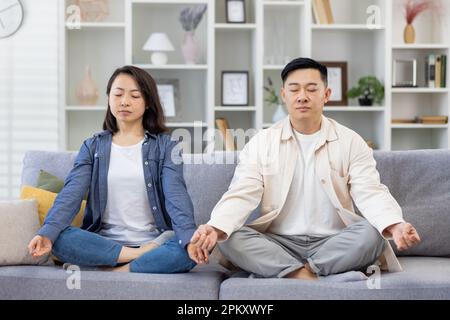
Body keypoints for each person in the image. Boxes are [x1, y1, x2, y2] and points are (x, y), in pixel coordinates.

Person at [189, 57, 421, 280]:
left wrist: (395, 224)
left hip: (334, 240)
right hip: (278, 242)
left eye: (311, 89)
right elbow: (242, 192)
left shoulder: (351, 141)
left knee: (372, 234)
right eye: (294, 89)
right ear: (284, 95)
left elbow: (370, 191)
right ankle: (309, 274)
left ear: (326, 94)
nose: (302, 96)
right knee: (230, 237)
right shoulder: (262, 142)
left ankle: (293, 272)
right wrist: (215, 227)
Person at [28, 66, 197, 273]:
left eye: (135, 96)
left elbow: (176, 197)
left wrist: (190, 240)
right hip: (104, 244)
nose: (124, 101)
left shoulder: (167, 147)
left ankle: (118, 271)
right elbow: (70, 195)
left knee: (189, 249)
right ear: (109, 98)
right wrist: (46, 233)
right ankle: (138, 258)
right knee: (60, 238)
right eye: (118, 94)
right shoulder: (93, 147)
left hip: (156, 241)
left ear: (148, 103)